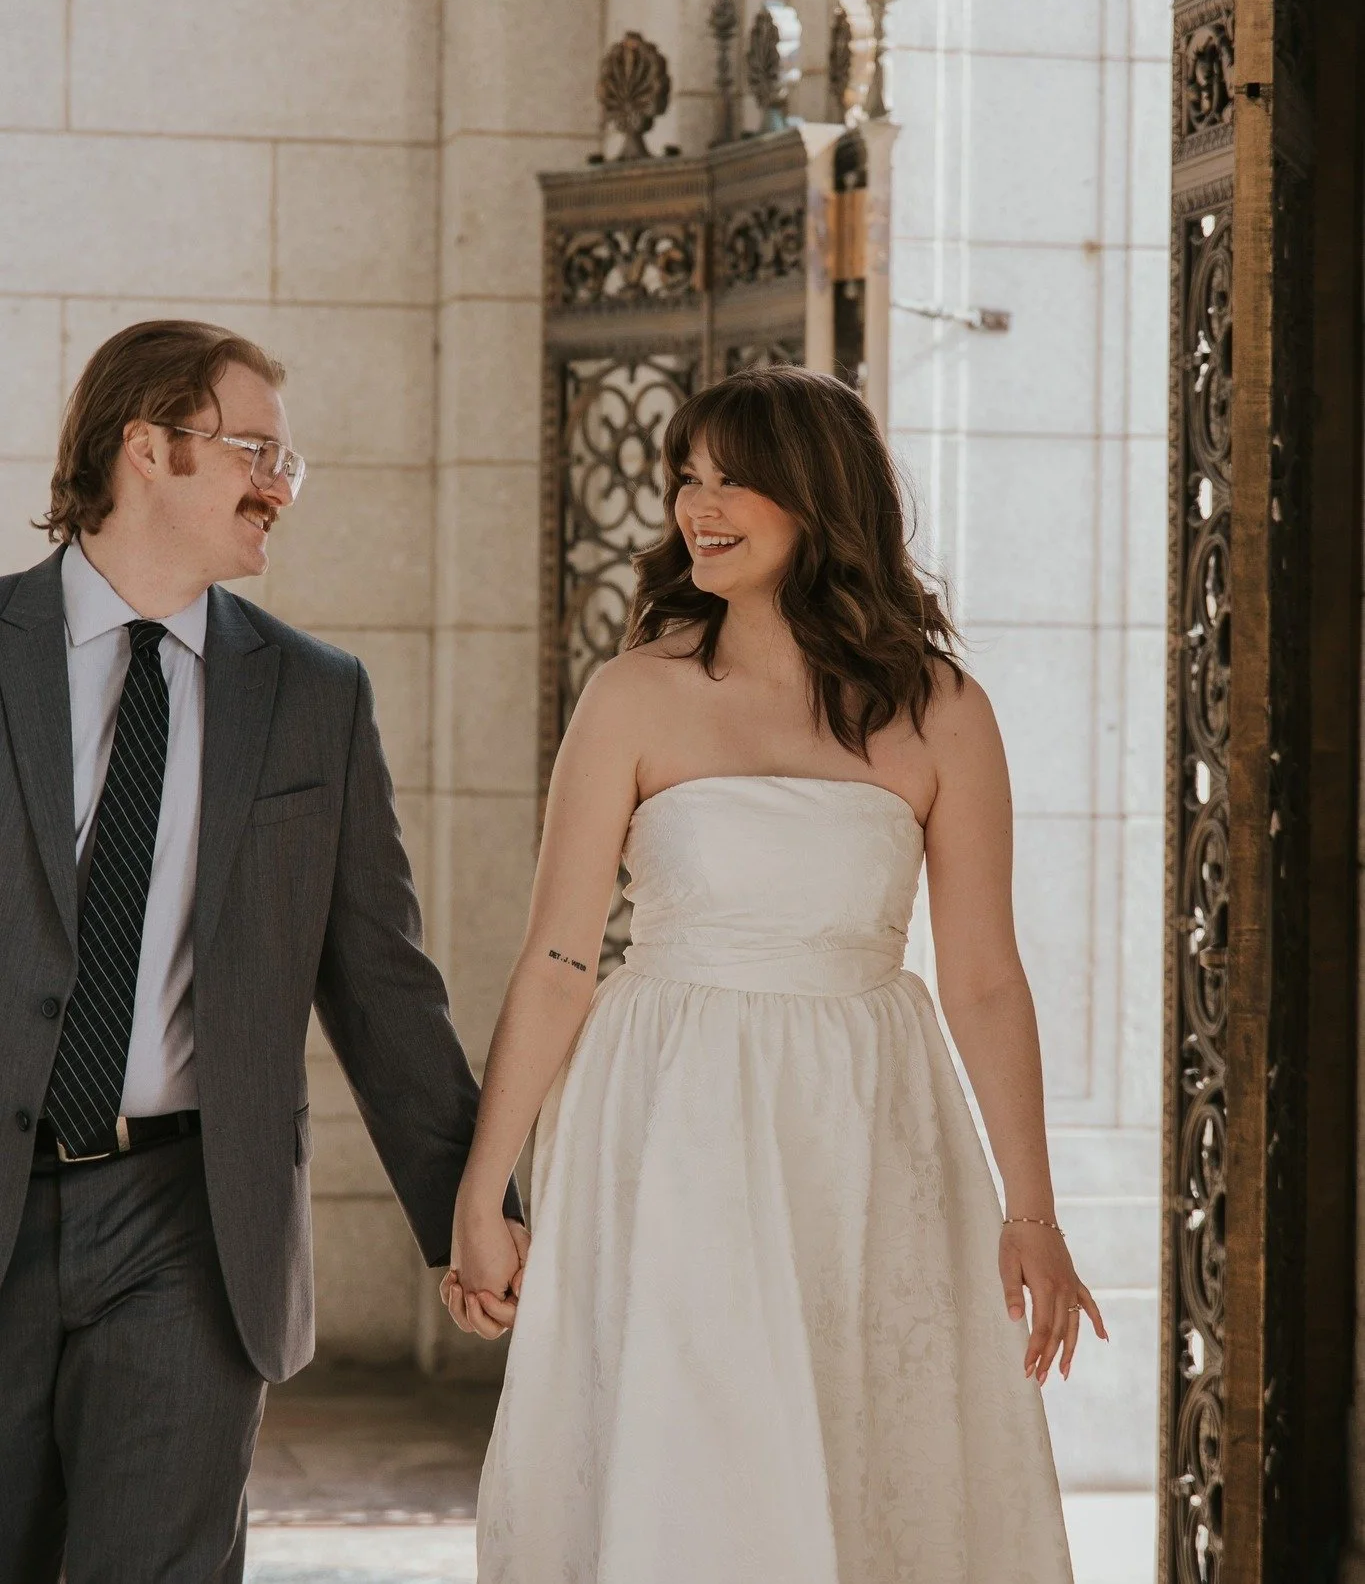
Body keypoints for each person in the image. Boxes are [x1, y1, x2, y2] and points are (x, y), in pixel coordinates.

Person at [444, 365, 1105, 1581]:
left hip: (868, 1119)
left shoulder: (943, 707)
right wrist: (486, 1191)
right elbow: (555, 958)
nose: (700, 503)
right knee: (685, 1439)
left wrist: (1033, 1209)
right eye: (686, 477)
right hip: (666, 1106)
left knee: (861, 1446)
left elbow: (985, 980)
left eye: (733, 477)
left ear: (820, 496)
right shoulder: (634, 691)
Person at [0, 320, 522, 1584]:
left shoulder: (312, 695)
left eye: (296, 459)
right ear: (147, 446)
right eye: (257, 450)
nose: (283, 483)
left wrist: (471, 1211)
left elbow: (383, 980)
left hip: (193, 1219)